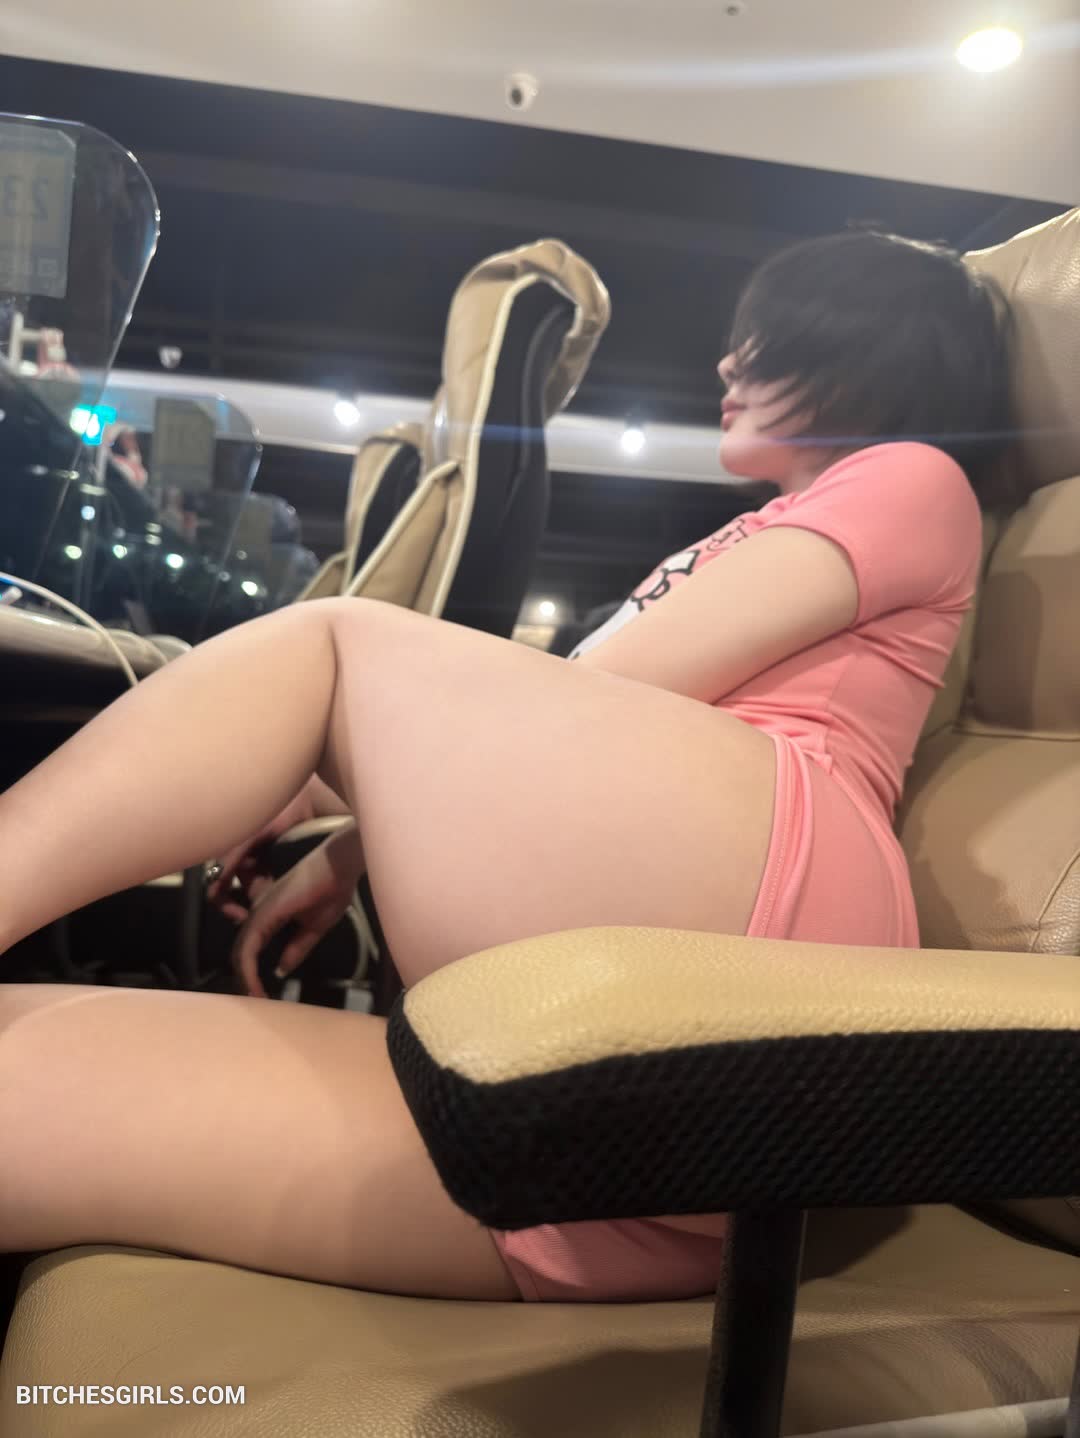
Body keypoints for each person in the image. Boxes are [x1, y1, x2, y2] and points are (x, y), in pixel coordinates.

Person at [0, 230, 1016, 1304]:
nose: (728, 363)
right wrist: (357, 821)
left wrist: (353, 797)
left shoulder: (912, 476)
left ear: (864, 349)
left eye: (766, 341)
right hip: (626, 1143)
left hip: (775, 926)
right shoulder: (775, 524)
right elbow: (594, 718)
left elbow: (625, 683)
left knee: (330, 644)